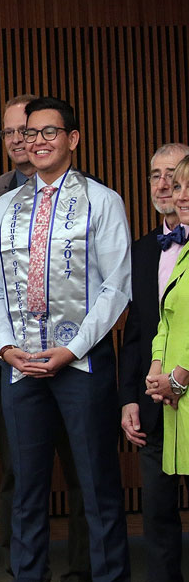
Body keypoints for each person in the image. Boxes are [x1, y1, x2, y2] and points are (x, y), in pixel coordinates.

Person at [0, 96, 131, 582]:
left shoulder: (102, 201)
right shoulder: (4, 206)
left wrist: (72, 349)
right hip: (20, 366)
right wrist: (5, 348)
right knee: (25, 485)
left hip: (81, 365)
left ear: (73, 139)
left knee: (96, 482)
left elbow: (116, 285)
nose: (37, 141)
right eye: (30, 133)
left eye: (49, 132)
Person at [128, 146, 189, 580]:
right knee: (158, 515)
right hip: (154, 401)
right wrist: (130, 398)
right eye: (156, 175)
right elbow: (139, 331)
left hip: (186, 393)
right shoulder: (142, 249)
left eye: (177, 176)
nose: (166, 185)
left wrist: (180, 378)